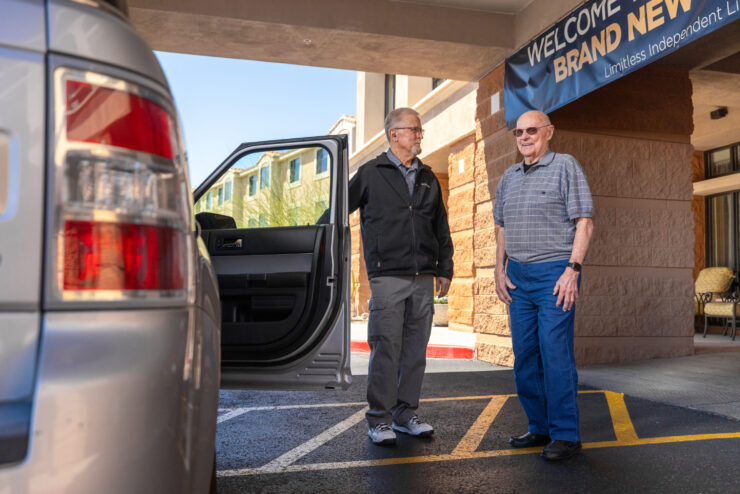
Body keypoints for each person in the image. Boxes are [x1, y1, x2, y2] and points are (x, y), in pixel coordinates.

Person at [349, 107, 454, 446]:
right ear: (394, 134)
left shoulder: (427, 177)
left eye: (420, 130)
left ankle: (406, 414)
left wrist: (445, 268)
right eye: (414, 130)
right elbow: (337, 210)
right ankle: (379, 419)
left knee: (414, 350)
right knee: (386, 347)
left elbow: (441, 227)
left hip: (423, 277)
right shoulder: (370, 172)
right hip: (387, 276)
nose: (420, 135)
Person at [493, 110, 594, 461]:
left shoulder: (565, 166)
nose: (524, 137)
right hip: (517, 278)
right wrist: (498, 269)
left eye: (532, 130)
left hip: (554, 276)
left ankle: (566, 434)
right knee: (525, 358)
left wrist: (572, 270)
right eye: (519, 132)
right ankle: (539, 428)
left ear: (548, 132)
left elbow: (584, 222)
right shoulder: (508, 177)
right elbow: (502, 227)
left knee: (555, 355)